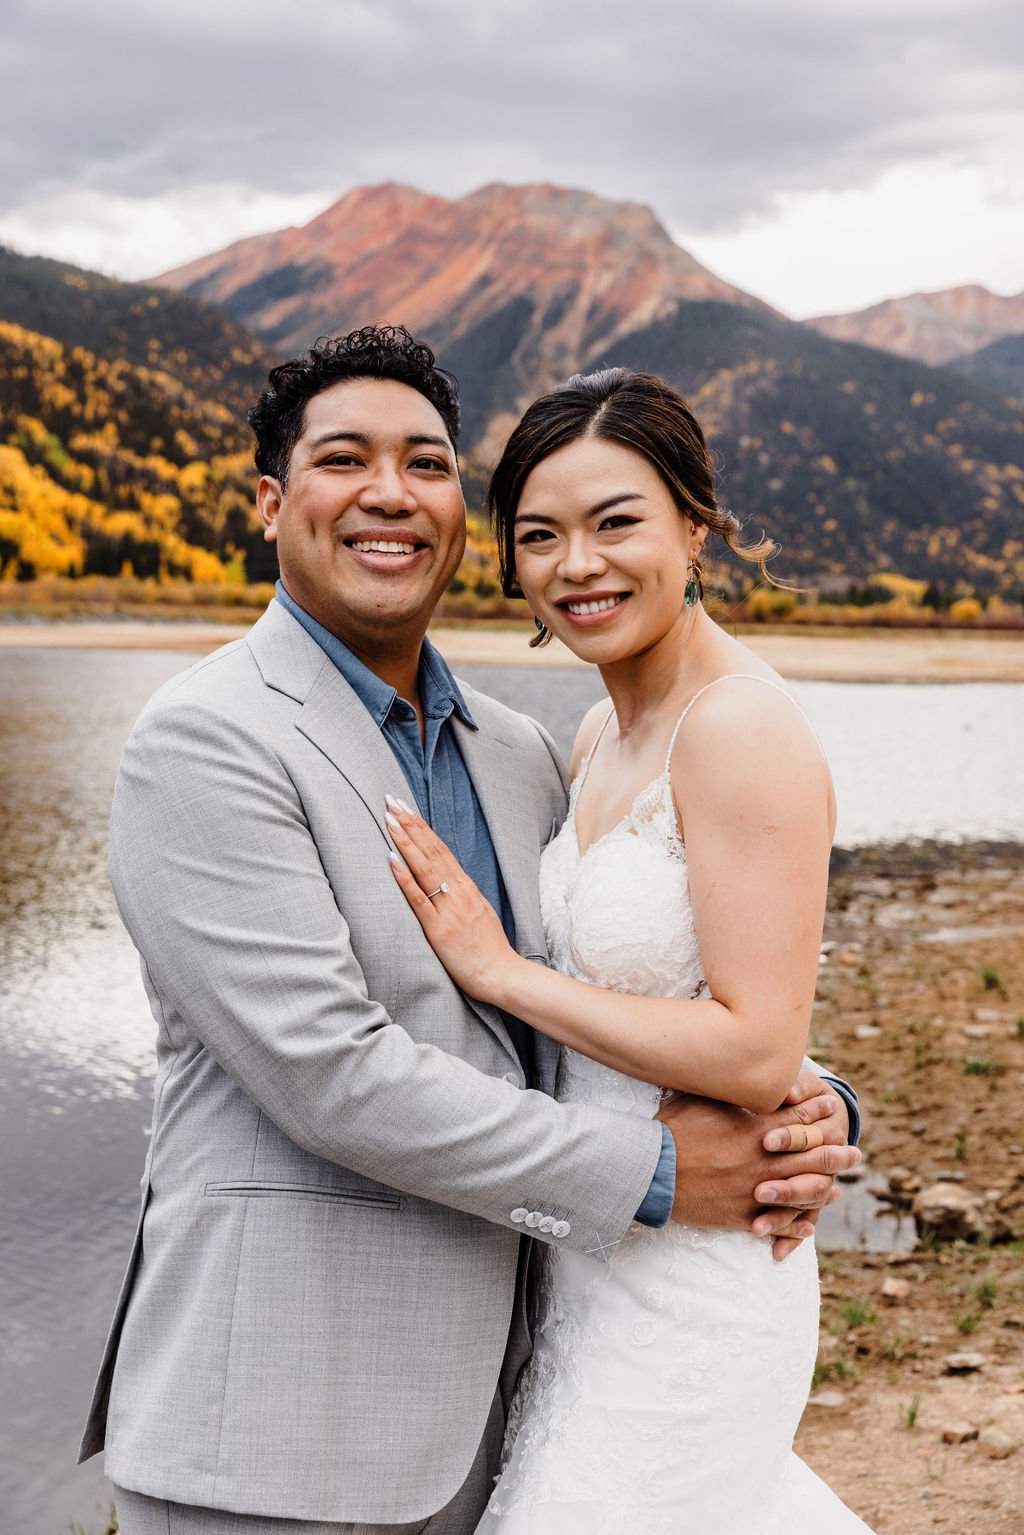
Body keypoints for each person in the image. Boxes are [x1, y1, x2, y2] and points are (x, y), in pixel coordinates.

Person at [79, 328, 861, 1535]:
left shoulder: (524, 749)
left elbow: (596, 994)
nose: (390, 491)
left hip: (499, 1407)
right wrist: (660, 1172)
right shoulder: (206, 738)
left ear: (455, 513)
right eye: (345, 458)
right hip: (279, 1431)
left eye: (428, 463)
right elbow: (331, 1073)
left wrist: (806, 1104)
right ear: (271, 502)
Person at [388, 367, 874, 1531]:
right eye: (541, 535)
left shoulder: (737, 724)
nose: (578, 565)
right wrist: (832, 1102)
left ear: (694, 526)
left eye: (617, 522)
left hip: (695, 1281)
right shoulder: (601, 729)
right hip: (594, 1257)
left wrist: (503, 971)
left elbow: (757, 1050)